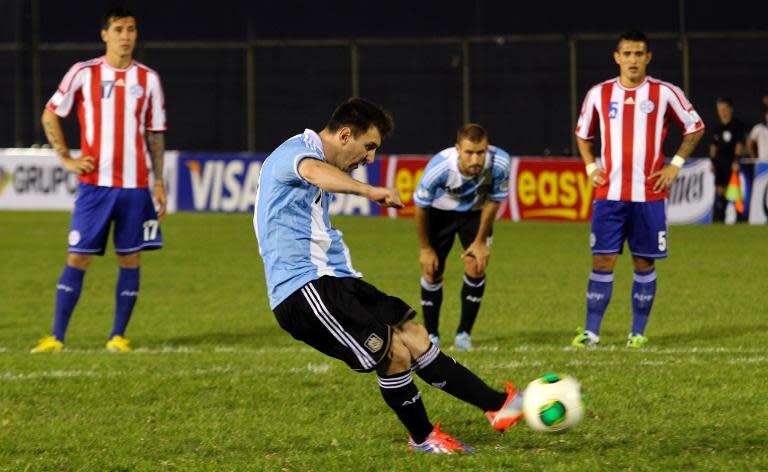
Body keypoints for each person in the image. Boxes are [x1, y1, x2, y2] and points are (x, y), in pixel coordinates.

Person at [253, 98, 523, 454]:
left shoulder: (315, 157)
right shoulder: (298, 152)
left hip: (335, 277)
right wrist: (370, 191)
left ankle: (499, 405)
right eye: (369, 148)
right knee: (394, 352)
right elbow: (314, 172)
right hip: (302, 290)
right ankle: (423, 438)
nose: (370, 159)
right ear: (345, 135)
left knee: (413, 334)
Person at [32, 7, 167, 353]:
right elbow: (51, 112)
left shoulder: (148, 80)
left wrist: (159, 183)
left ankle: (117, 336)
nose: (126, 36)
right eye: (119, 29)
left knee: (131, 258)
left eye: (131, 29)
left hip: (136, 187)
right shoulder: (83, 73)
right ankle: (56, 337)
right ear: (105, 34)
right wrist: (66, 158)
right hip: (95, 186)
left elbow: (155, 135)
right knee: (78, 257)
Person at [571, 30, 704, 349]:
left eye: (638, 54)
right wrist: (591, 166)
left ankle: (637, 333)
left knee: (644, 262)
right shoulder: (599, 94)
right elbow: (583, 133)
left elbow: (695, 127)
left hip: (649, 195)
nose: (633, 60)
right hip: (609, 195)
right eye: (627, 54)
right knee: (602, 260)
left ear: (648, 57)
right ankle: (591, 332)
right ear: (617, 57)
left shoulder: (665, 93)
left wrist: (675, 164)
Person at [413, 124, 511, 351]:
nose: (476, 159)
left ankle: (464, 335)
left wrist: (480, 242)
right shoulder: (439, 167)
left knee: (476, 265)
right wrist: (425, 248)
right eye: (469, 152)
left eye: (481, 152)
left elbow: (493, 201)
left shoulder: (500, 163)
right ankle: (432, 335)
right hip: (440, 215)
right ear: (458, 149)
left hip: (476, 214)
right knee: (432, 270)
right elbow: (420, 208)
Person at [709, 97, 747, 222]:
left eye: (725, 109)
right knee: (720, 192)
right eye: (720, 109)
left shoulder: (737, 126)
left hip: (732, 164)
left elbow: (739, 145)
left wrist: (736, 160)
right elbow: (713, 147)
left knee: (734, 193)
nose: (722, 112)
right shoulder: (716, 127)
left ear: (731, 109)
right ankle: (720, 219)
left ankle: (740, 219)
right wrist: (712, 162)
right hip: (719, 164)